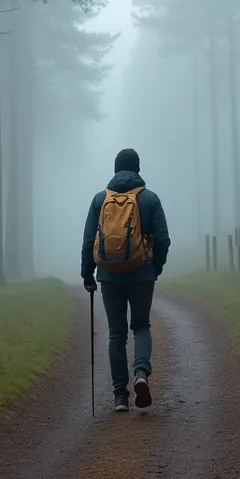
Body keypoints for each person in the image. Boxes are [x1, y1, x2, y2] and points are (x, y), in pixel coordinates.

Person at [81, 148, 171, 412]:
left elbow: (89, 241)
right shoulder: (150, 199)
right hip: (142, 273)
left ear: (115, 169)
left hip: (109, 276)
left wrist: (87, 274)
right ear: (138, 168)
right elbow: (163, 239)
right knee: (141, 326)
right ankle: (141, 372)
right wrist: (156, 268)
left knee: (116, 334)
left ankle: (120, 395)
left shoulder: (100, 200)